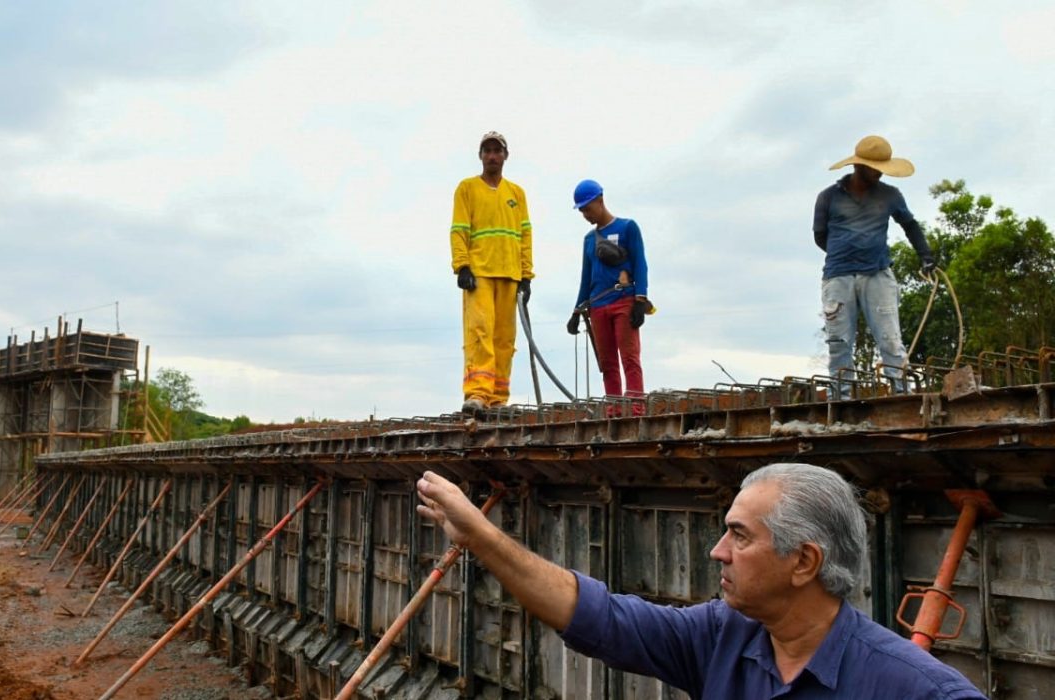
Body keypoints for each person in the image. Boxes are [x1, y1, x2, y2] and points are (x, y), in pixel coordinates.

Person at [415, 463, 986, 699]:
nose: (717, 552)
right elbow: (600, 619)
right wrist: (481, 538)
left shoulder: (919, 690)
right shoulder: (721, 636)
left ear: (804, 562)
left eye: (740, 536)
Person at [814, 135, 935, 398]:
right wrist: (847, 254)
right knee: (839, 344)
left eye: (881, 168)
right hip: (838, 277)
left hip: (878, 274)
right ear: (857, 166)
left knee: (891, 340)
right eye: (873, 168)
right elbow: (820, 236)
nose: (878, 173)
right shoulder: (828, 197)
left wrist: (925, 255)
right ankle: (841, 404)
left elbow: (910, 225)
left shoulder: (890, 195)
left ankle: (901, 398)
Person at [450, 131, 534, 416]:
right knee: (479, 333)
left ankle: (498, 397)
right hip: (480, 274)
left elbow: (525, 235)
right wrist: (461, 265)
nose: (492, 156)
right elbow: (459, 229)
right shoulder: (467, 188)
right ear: (480, 156)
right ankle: (477, 394)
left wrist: (526, 274)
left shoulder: (516, 194)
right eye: (487, 151)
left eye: (497, 150)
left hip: (509, 274)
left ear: (505, 156)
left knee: (504, 340)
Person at [566, 179, 651, 411]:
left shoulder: (627, 228)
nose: (585, 214)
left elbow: (640, 264)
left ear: (600, 200)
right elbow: (586, 278)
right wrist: (576, 311)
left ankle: (635, 411)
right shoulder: (589, 240)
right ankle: (614, 412)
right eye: (581, 210)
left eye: (588, 208)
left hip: (623, 301)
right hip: (597, 306)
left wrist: (640, 300)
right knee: (607, 364)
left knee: (630, 359)